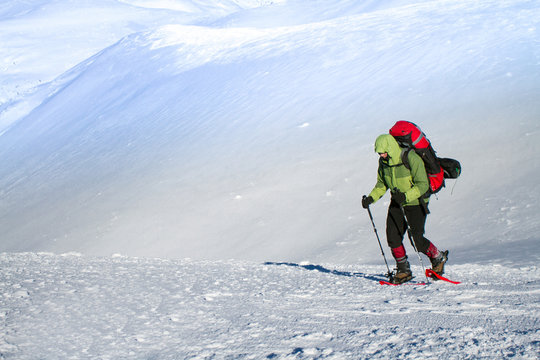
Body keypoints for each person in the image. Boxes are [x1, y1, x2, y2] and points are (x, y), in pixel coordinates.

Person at [362, 133, 448, 284]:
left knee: (417, 240)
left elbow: (423, 184)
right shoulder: (384, 163)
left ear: (390, 148)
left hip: (415, 203)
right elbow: (382, 184)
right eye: (379, 153)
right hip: (397, 202)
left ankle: (437, 257)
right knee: (392, 237)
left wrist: (407, 196)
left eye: (383, 152)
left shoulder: (411, 158)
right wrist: (371, 198)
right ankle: (403, 269)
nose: (381, 155)